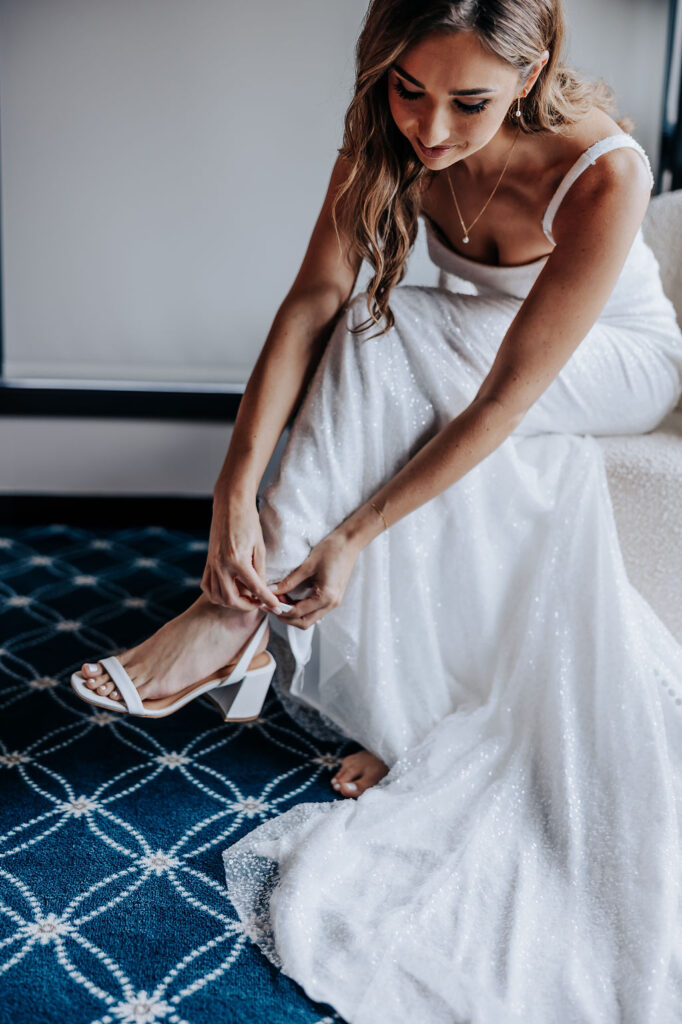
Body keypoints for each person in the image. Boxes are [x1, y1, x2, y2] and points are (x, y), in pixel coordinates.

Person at [75, 0, 682, 1018]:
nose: (431, 130)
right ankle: (248, 602)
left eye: (469, 101)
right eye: (409, 89)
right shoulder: (380, 139)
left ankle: (235, 622)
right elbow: (312, 297)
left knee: (393, 333)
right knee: (364, 321)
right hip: (477, 340)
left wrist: (356, 530)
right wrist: (232, 491)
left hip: (616, 362)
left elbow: (501, 400)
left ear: (531, 75)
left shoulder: (603, 171)